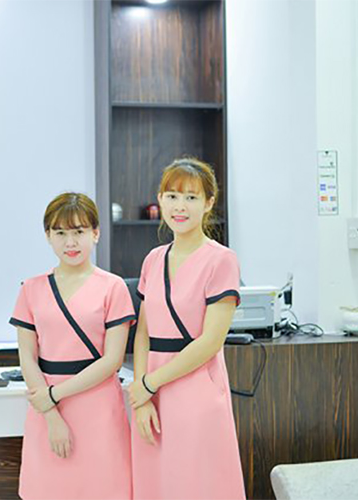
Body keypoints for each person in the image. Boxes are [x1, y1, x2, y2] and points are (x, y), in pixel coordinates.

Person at [128, 158, 245, 499]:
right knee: (156, 484)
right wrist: (142, 397)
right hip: (151, 392)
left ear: (208, 203)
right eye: (172, 196)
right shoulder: (153, 259)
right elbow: (143, 333)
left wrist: (149, 383)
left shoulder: (221, 260)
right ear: (160, 200)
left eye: (191, 197)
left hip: (195, 387)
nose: (180, 206)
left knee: (195, 485)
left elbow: (210, 342)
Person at [10, 192, 135, 499]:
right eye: (60, 233)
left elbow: (112, 360)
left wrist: (53, 395)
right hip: (46, 409)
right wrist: (51, 413)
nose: (70, 242)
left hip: (97, 405)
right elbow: (27, 357)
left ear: (96, 233)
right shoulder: (31, 288)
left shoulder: (113, 287)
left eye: (79, 231)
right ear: (48, 236)